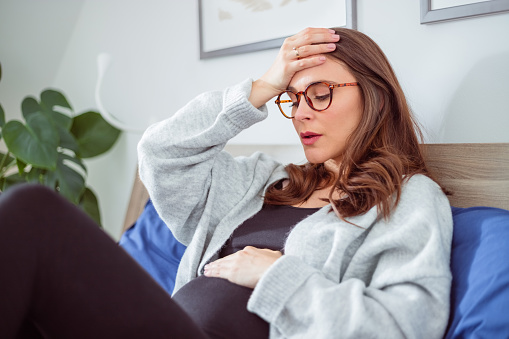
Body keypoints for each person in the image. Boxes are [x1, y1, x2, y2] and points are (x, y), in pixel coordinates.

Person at [0, 27, 452, 339]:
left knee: (32, 213)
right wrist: (261, 86)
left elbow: (405, 326)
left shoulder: (408, 199)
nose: (301, 113)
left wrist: (275, 276)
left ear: (373, 94)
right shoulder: (263, 180)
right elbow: (160, 154)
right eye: (291, 99)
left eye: (319, 94)